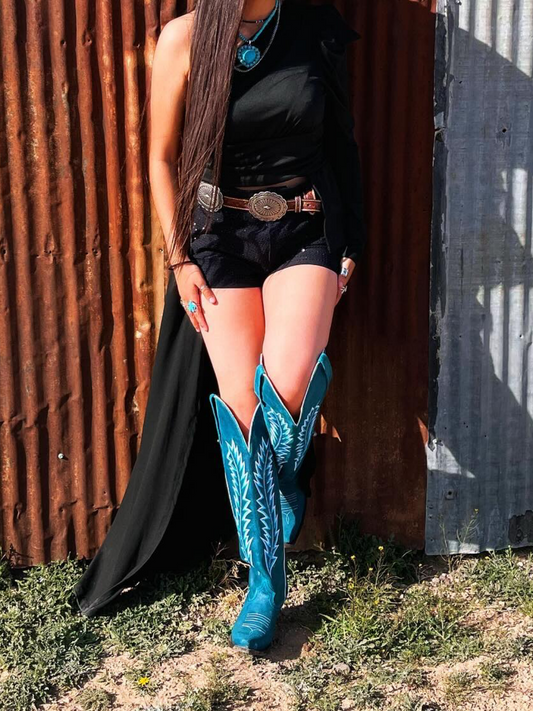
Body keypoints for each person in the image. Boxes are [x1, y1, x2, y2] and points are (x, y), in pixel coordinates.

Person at [73, 0, 366, 654]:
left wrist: (352, 241)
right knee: (241, 408)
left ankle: (282, 478)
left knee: (287, 387)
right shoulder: (184, 38)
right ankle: (264, 581)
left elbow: (341, 142)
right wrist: (178, 258)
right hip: (219, 238)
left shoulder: (312, 28)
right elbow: (161, 157)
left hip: (305, 228)